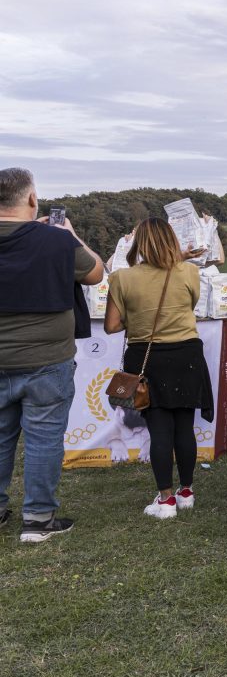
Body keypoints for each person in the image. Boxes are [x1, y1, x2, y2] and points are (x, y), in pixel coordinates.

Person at [0, 168, 103, 542]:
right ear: (31, 199)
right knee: (44, 438)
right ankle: (38, 520)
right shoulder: (56, 241)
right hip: (48, 359)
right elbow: (95, 273)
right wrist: (69, 234)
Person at [105, 217, 214, 520]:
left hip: (146, 357)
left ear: (139, 243)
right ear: (172, 241)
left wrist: (138, 316)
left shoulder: (122, 278)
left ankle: (165, 500)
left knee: (160, 430)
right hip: (187, 354)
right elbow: (186, 305)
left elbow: (113, 325)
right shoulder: (189, 272)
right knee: (184, 427)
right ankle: (187, 492)